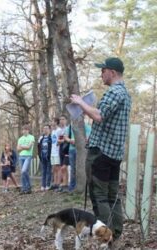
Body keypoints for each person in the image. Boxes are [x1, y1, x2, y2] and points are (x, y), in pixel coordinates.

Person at [70, 57, 131, 241]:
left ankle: (106, 237)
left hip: (101, 155)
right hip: (114, 153)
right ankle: (116, 235)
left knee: (100, 197)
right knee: (113, 197)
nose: (101, 74)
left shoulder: (114, 92)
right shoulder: (125, 94)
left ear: (112, 72)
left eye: (103, 70)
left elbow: (98, 116)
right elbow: (109, 123)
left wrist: (80, 102)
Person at [64, 122, 91, 192]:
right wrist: (70, 140)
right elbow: (65, 137)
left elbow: (88, 137)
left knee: (82, 168)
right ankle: (72, 187)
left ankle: (84, 186)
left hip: (82, 150)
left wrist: (80, 141)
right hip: (71, 150)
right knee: (73, 169)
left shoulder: (86, 126)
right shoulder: (69, 127)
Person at [17, 124, 35, 194]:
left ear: (28, 130)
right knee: (23, 173)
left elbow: (29, 147)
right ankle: (25, 188)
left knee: (24, 171)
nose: (24, 131)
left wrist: (22, 147)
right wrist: (24, 147)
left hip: (28, 156)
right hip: (21, 156)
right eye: (23, 130)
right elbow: (18, 149)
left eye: (26, 129)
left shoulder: (31, 137)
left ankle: (28, 186)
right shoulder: (20, 139)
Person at [38, 125, 52, 191]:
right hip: (42, 156)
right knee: (43, 171)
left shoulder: (51, 137)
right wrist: (39, 155)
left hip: (48, 156)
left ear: (49, 129)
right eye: (44, 128)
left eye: (46, 128)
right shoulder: (41, 138)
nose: (45, 130)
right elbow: (38, 147)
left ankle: (48, 185)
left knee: (48, 171)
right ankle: (43, 185)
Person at [56, 115, 68, 191]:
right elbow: (58, 141)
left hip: (67, 149)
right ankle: (63, 184)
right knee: (61, 168)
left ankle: (66, 184)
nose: (61, 121)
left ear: (66, 120)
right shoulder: (59, 130)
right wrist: (61, 141)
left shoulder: (68, 128)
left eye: (63, 119)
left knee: (64, 167)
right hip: (61, 150)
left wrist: (62, 140)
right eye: (60, 119)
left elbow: (66, 140)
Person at [50, 118, 63, 190]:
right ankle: (54, 183)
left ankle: (58, 183)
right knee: (54, 168)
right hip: (52, 152)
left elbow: (61, 139)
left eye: (52, 121)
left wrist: (59, 142)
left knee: (58, 168)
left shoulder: (59, 130)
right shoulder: (53, 131)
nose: (51, 123)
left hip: (57, 151)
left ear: (56, 122)